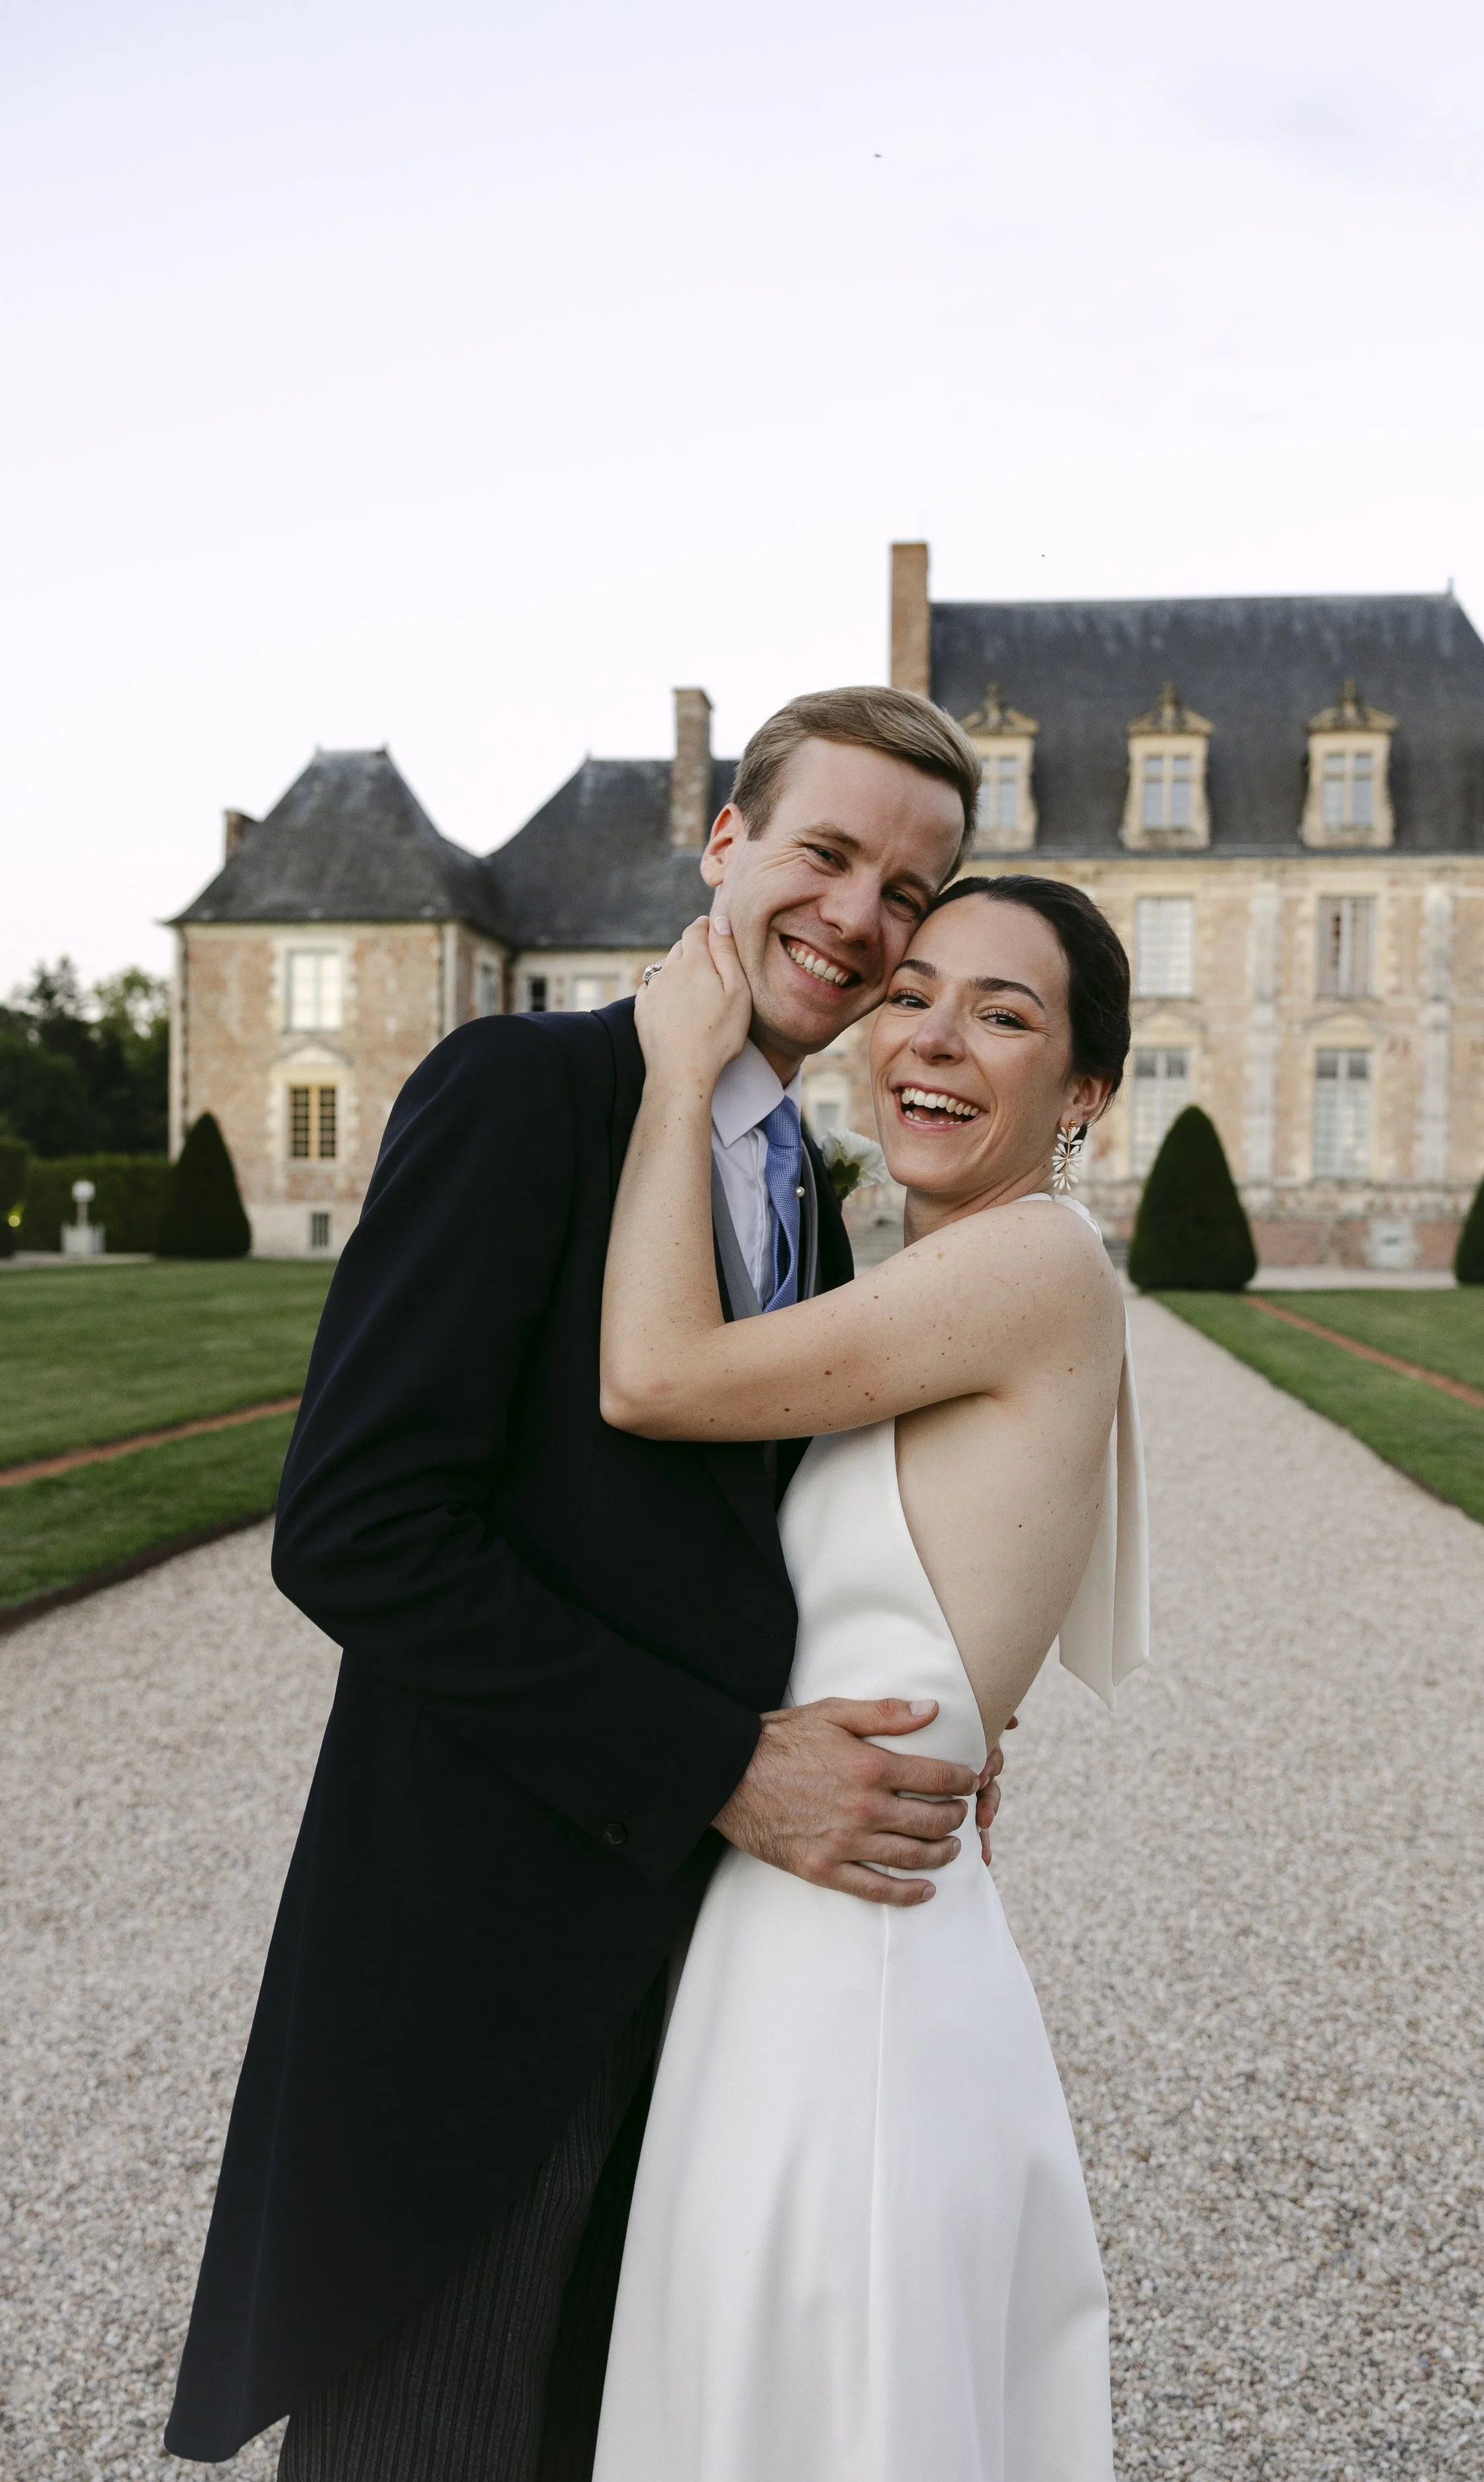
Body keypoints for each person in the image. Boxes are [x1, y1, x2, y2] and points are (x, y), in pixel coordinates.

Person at [163, 687, 1008, 2477]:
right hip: (485, 1933)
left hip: (697, 1947)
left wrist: (929, 1698)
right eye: (827, 852)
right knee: (433, 2430)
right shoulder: (523, 1088)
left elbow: (747, 1547)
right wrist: (719, 1759)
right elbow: (361, 1524)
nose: (862, 914)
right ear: (723, 844)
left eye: (912, 891)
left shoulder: (810, 1186)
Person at [590, 872, 1148, 2481]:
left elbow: (652, 1375)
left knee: (826, 2401)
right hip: (809, 1904)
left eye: (1005, 1013)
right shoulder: (914, 1276)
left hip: (857, 1953)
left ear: (1083, 1091)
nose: (936, 1037)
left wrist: (680, 1067)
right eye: (912, 991)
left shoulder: (1027, 1264)